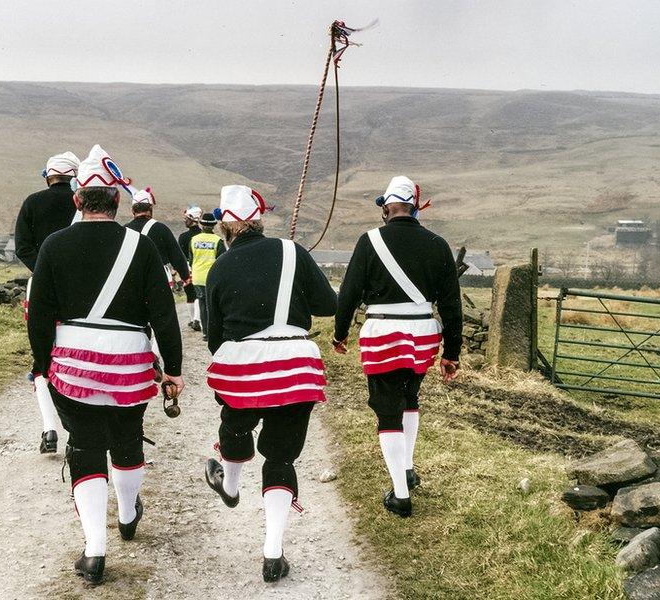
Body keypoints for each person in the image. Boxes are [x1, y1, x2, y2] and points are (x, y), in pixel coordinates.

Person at [27, 150, 183, 585]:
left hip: (73, 365)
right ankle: (129, 513)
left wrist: (42, 363)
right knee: (127, 439)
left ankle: (95, 549)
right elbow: (165, 316)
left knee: (86, 446)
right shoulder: (143, 246)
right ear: (116, 200)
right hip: (130, 364)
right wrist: (173, 369)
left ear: (78, 201)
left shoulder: (54, 245)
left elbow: (39, 315)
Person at [201, 185, 337, 583]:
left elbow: (214, 340)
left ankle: (229, 483)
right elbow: (327, 305)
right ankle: (273, 553)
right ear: (258, 220)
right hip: (297, 364)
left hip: (245, 365)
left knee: (236, 423)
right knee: (280, 457)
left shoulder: (220, 268)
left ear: (226, 227)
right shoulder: (294, 252)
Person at [332, 175, 462, 518]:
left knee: (386, 407)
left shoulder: (369, 241)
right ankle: (406, 468)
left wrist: (340, 333)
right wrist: (452, 352)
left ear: (386, 207)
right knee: (410, 398)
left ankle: (401, 495)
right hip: (422, 333)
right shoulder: (438, 244)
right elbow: (451, 304)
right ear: (416, 207)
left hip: (383, 332)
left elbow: (348, 293)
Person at [14, 151, 80, 454]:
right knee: (75, 350)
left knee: (42, 354)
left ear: (48, 175)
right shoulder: (82, 202)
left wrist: (42, 271)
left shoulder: (31, 202)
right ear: (74, 176)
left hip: (38, 286)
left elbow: (22, 247)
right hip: (78, 288)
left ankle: (49, 428)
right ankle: (75, 428)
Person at [124, 187, 191, 288]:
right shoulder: (161, 228)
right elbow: (176, 255)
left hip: (131, 279)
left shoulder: (125, 230)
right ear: (150, 208)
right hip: (157, 279)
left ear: (133, 210)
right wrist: (185, 276)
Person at [189, 211, 225, 340]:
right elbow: (222, 261)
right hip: (212, 278)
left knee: (203, 305)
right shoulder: (218, 241)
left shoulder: (194, 240)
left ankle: (205, 333)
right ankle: (214, 331)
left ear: (202, 225)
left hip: (198, 277)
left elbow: (191, 259)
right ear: (213, 226)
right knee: (214, 306)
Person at [178, 206, 204, 331]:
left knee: (190, 294)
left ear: (192, 219)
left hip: (187, 267)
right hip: (202, 267)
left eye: (186, 218)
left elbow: (180, 255)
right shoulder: (204, 235)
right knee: (199, 294)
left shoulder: (183, 237)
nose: (185, 221)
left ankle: (192, 319)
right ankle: (197, 319)